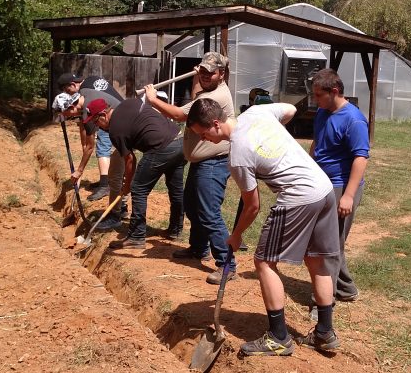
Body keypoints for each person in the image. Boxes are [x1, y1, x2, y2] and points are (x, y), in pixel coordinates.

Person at [186, 97, 341, 356]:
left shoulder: (238, 154)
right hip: (323, 189)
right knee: (316, 260)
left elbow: (252, 206)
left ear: (215, 124)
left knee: (264, 262)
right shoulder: (257, 112)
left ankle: (278, 337)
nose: (204, 139)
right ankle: (325, 332)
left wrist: (236, 236)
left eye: (203, 134)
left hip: (299, 195)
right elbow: (290, 109)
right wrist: (272, 139)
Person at [144, 52, 236, 285]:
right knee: (193, 208)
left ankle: (227, 264)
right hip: (202, 162)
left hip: (213, 163)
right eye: (201, 71)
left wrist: (153, 100)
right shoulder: (207, 91)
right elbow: (197, 94)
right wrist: (198, 77)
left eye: (210, 72)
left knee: (209, 213)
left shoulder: (216, 96)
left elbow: (179, 115)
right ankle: (198, 248)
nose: (205, 75)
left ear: (222, 74)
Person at [86, 97, 186, 250]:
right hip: (179, 141)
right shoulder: (128, 103)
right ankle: (175, 230)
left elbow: (130, 160)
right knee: (176, 190)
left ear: (103, 115)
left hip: (160, 147)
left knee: (139, 189)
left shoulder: (115, 130)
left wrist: (127, 185)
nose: (97, 127)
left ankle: (136, 236)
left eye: (96, 122)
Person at [309, 68, 368, 304]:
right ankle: (346, 289)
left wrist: (348, 196)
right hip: (321, 183)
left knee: (328, 244)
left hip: (341, 186)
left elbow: (360, 158)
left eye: (318, 95)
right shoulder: (323, 112)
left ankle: (324, 300)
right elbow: (317, 143)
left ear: (334, 91)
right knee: (331, 241)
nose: (315, 100)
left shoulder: (354, 120)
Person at [57, 73, 128, 235]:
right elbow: (85, 136)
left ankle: (116, 214)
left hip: (125, 129)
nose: (68, 117)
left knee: (117, 173)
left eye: (68, 114)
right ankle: (121, 208)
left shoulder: (88, 108)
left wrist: (79, 170)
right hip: (121, 125)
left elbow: (89, 146)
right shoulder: (87, 88)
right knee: (118, 171)